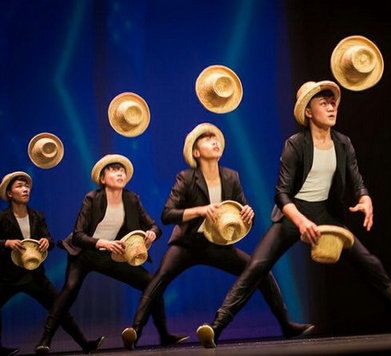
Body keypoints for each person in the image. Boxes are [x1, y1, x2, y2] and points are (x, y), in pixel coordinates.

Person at [196, 81, 391, 348]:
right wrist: (302, 221)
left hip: (325, 214)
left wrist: (365, 199)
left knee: (369, 263)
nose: (331, 108)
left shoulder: (343, 143)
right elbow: (281, 194)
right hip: (293, 213)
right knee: (257, 267)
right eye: (323, 103)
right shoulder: (295, 144)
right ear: (308, 112)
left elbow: (356, 180)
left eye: (333, 103)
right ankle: (215, 328)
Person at [120, 123, 312, 349]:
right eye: (207, 139)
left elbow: (242, 208)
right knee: (159, 279)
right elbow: (167, 214)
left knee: (260, 271)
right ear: (196, 152)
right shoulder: (186, 177)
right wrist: (200, 211)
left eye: (216, 138)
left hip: (217, 244)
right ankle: (134, 331)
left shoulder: (231, 176)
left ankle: (286, 325)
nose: (215, 141)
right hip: (187, 243)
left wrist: (248, 213)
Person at [34, 155, 185, 354]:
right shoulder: (92, 198)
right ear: (103, 178)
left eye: (122, 170)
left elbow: (155, 226)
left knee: (152, 283)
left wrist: (152, 234)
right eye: (114, 170)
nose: (120, 173)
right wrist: (101, 242)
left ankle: (164, 335)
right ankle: (44, 340)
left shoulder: (131, 199)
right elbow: (78, 236)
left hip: (112, 255)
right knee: (70, 289)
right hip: (84, 254)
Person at [0, 172, 103, 356]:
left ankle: (85, 344)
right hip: (9, 276)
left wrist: (47, 241)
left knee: (60, 308)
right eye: (19, 186)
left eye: (26, 186)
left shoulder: (37, 216)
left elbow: (50, 239)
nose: (25, 189)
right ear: (9, 193)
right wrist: (6, 243)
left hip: (35, 275)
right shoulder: (2, 218)